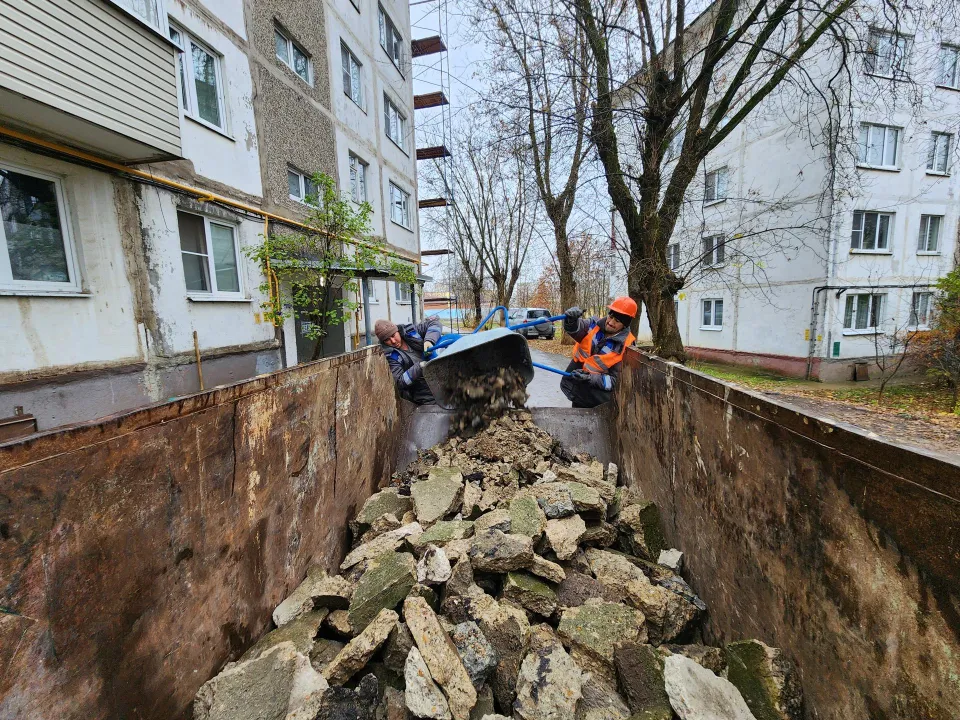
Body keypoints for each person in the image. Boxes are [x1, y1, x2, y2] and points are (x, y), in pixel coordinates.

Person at [559, 297, 638, 408]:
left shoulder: (627, 347)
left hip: (598, 401)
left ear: (625, 324)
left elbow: (616, 381)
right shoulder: (594, 324)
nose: (610, 322)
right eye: (611, 317)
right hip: (578, 389)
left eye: (617, 321)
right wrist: (571, 320)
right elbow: (577, 329)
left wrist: (591, 378)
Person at [376, 316, 442, 405]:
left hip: (441, 377)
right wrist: (420, 367)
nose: (393, 341)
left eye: (393, 335)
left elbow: (435, 323)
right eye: (387, 340)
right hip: (425, 393)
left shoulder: (411, 332)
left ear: (397, 331)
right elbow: (399, 383)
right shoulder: (391, 357)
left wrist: (429, 340)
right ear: (383, 342)